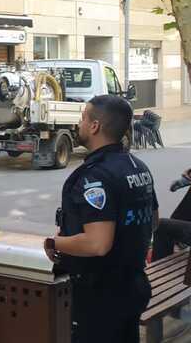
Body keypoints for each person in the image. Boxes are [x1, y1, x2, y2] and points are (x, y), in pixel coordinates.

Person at [45, 95, 158, 343]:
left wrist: (53, 243)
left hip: (100, 297)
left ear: (95, 126)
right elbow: (153, 221)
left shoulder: (94, 176)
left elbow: (98, 244)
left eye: (84, 117)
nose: (80, 122)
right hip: (133, 287)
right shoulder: (138, 167)